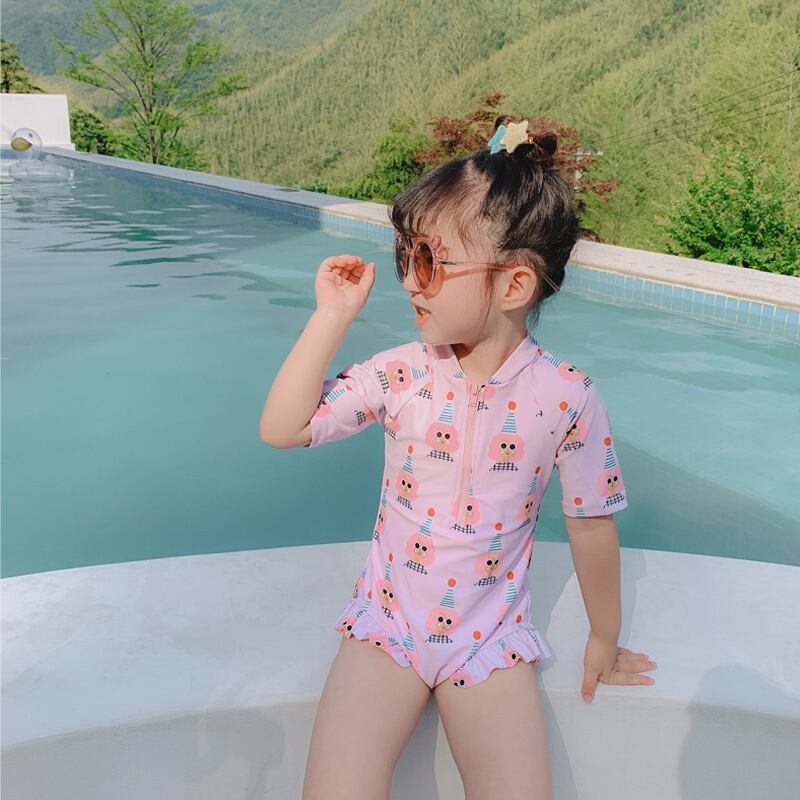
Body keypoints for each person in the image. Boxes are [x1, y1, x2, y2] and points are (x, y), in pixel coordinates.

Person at [260, 115, 657, 800]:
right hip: (386, 626)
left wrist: (604, 635)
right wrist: (331, 317)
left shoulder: (567, 397)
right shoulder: (399, 374)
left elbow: (593, 521)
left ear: (513, 286)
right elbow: (283, 429)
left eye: (429, 261)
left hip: (490, 638)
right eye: (404, 255)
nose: (409, 281)